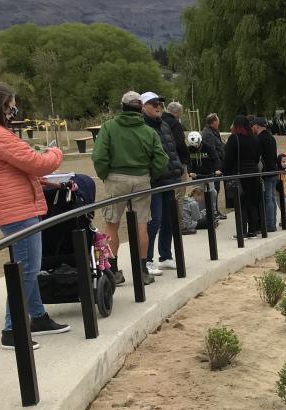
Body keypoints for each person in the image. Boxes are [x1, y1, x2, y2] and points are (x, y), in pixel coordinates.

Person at [0, 81, 71, 349]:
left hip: (13, 206)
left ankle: (37, 316)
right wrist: (55, 151)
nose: (14, 112)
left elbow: (12, 169)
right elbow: (38, 163)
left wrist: (43, 181)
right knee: (26, 269)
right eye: (11, 107)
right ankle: (12, 329)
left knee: (27, 267)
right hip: (18, 210)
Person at [91, 91, 169, 287]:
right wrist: (150, 174)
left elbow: (99, 156)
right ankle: (142, 271)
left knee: (112, 224)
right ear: (140, 107)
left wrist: (105, 174)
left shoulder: (109, 127)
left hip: (116, 178)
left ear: (123, 107)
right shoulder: (148, 131)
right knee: (142, 225)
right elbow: (161, 159)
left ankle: (113, 271)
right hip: (142, 178)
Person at [142, 92, 184, 275]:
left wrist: (178, 170)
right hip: (155, 181)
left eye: (159, 103)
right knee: (155, 220)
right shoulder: (143, 126)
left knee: (168, 219)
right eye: (153, 104)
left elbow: (171, 149)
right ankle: (148, 259)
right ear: (143, 106)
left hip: (170, 178)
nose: (158, 106)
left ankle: (165, 255)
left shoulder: (165, 125)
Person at [224, 115, 262, 237]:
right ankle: (253, 229)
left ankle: (242, 231)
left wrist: (224, 171)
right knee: (252, 203)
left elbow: (228, 159)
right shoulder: (255, 138)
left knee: (241, 204)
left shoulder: (234, 139)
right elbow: (257, 158)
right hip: (254, 173)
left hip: (240, 175)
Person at [186, 131, 220, 235]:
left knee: (212, 192)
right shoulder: (189, 150)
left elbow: (215, 159)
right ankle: (200, 215)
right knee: (197, 196)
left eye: (197, 144)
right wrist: (190, 172)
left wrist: (217, 169)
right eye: (194, 145)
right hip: (197, 176)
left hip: (208, 174)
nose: (196, 146)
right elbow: (188, 162)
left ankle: (213, 211)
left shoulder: (208, 147)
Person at [252, 116, 279, 232]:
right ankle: (273, 222)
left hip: (266, 172)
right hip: (274, 170)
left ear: (256, 126)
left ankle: (269, 224)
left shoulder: (259, 139)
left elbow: (257, 157)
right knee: (272, 198)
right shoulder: (271, 138)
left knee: (268, 199)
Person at [200, 113, 226, 220]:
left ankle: (215, 210)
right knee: (214, 189)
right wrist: (218, 165)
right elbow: (212, 151)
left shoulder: (213, 132)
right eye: (217, 121)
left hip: (217, 163)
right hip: (213, 166)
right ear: (213, 122)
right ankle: (213, 211)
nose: (218, 123)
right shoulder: (208, 134)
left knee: (216, 189)